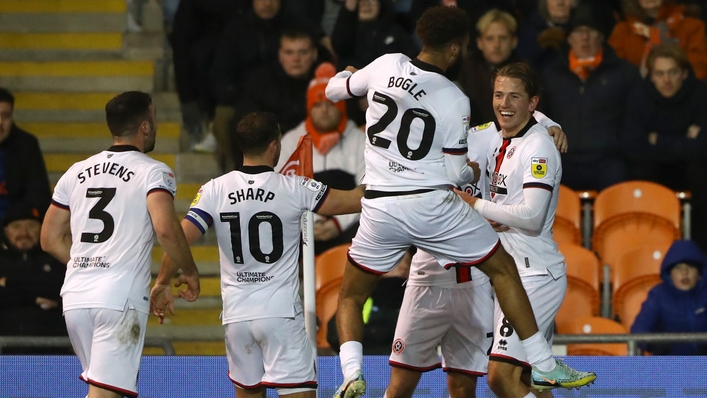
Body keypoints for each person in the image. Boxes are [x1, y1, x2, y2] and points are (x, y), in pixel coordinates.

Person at [325, 6, 595, 398]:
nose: (502, 102)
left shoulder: (384, 65)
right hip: (430, 207)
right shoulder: (454, 98)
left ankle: (351, 372)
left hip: (381, 206)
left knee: (350, 295)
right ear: (455, 48)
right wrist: (469, 182)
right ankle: (545, 363)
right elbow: (455, 175)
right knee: (502, 269)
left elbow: (335, 90)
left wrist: (349, 77)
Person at [151, 111, 364, 398]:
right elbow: (355, 200)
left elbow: (178, 237)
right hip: (280, 315)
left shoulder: (215, 189)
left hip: (237, 318)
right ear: (274, 145)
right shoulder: (295, 187)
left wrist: (163, 280)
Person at [385, 111, 567, 398]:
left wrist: (549, 124)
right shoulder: (408, 155)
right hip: (428, 279)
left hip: (478, 283)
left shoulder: (481, 137)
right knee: (401, 383)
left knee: (496, 378)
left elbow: (515, 108)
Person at [40, 91, 200, 398]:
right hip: (119, 297)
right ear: (144, 126)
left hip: (75, 297)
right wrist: (190, 271)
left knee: (107, 390)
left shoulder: (75, 172)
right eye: (153, 118)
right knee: (106, 395)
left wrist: (84, 263)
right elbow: (166, 229)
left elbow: (49, 239)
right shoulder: (153, 171)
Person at [454, 62, 567, 397]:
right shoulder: (492, 136)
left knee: (500, 377)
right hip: (509, 274)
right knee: (531, 381)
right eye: (499, 94)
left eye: (515, 97)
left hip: (535, 275)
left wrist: (475, 205)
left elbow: (531, 217)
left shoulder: (539, 148)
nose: (504, 103)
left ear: (532, 103)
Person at [541, 3, 640, 191]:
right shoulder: (551, 75)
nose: (585, 38)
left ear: (602, 36)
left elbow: (634, 120)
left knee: (618, 196)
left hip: (607, 161)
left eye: (591, 31)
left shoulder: (625, 74)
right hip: (562, 160)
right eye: (578, 31)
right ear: (569, 37)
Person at [622, 44, 707, 252]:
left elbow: (701, 149)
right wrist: (684, 140)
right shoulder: (639, 96)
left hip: (693, 169)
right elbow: (633, 147)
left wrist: (657, 138)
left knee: (702, 173)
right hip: (654, 169)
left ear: (684, 74)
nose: (666, 80)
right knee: (641, 172)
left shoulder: (701, 94)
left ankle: (701, 251)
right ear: (651, 76)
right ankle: (649, 247)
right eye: (659, 74)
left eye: (672, 72)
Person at [277, 62, 366, 255]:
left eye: (331, 104)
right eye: (318, 104)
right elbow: (279, 190)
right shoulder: (292, 140)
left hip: (347, 227)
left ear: (341, 106)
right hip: (302, 226)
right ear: (309, 107)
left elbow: (367, 191)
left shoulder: (360, 140)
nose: (324, 110)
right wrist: (310, 224)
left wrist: (337, 223)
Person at [230, 27, 320, 169]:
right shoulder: (260, 82)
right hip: (269, 156)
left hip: (318, 155)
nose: (296, 59)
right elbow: (245, 127)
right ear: (280, 55)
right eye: (289, 52)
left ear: (314, 54)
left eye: (303, 52)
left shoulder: (326, 83)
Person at [0, 202, 67, 354]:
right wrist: (34, 298)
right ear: (5, 230)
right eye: (17, 226)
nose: (24, 232)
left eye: (31, 226)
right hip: (3, 348)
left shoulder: (55, 256)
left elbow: (58, 289)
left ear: (42, 229)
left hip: (54, 347)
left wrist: (8, 283)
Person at [631, 239, 707, 355]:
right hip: (670, 366)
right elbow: (638, 331)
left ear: (700, 273)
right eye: (678, 268)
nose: (684, 273)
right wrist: (655, 344)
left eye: (690, 267)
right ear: (669, 274)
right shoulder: (658, 295)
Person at [608, 0, 707, 79]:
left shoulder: (692, 26)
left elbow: (699, 72)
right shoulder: (622, 32)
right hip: (638, 99)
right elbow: (615, 76)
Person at [458, 8, 521, 126]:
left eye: (502, 38)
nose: (496, 45)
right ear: (479, 42)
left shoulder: (525, 72)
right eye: (490, 38)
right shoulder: (464, 69)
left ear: (514, 41)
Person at [0, 87, 52, 225]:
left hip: (15, 226)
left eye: (5, 116)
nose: (0, 123)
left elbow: (39, 196)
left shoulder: (26, 145)